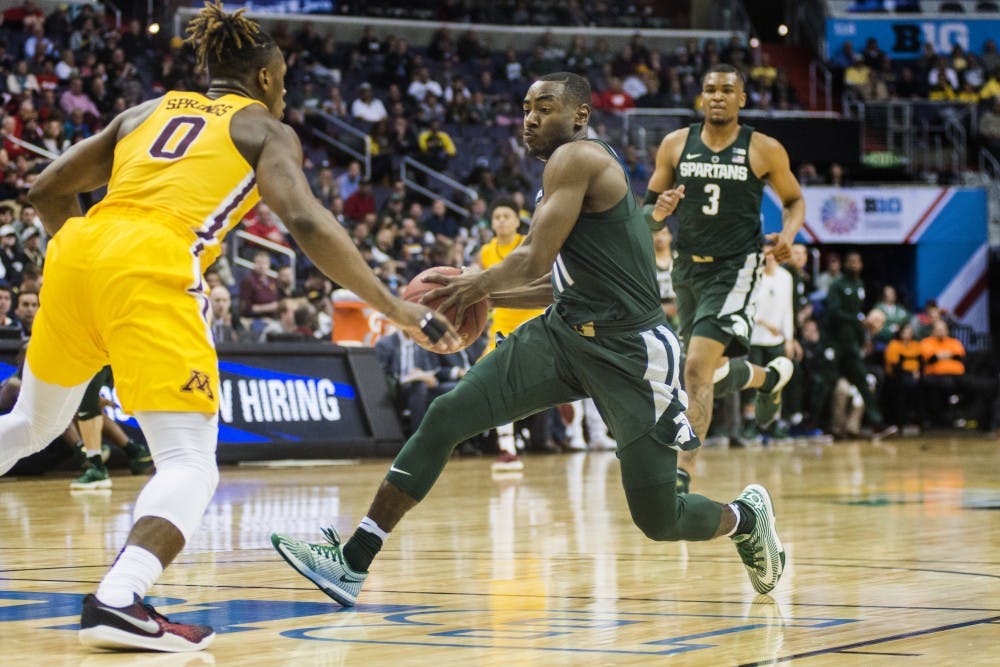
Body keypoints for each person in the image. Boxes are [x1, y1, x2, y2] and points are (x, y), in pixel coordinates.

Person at [0, 3, 455, 653]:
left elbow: (45, 187)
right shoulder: (265, 128)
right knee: (189, 463)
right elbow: (305, 221)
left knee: (32, 424)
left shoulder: (144, 112)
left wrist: (84, 268)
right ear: (267, 77)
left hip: (76, 251)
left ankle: (122, 596)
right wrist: (395, 304)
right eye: (286, 79)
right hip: (151, 264)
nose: (286, 91)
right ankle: (121, 597)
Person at [272, 71, 785, 608]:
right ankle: (354, 561)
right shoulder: (564, 176)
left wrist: (473, 282)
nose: (530, 119)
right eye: (524, 109)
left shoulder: (578, 159)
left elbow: (533, 258)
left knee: (661, 519)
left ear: (580, 117)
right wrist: (488, 300)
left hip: (631, 352)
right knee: (447, 414)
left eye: (544, 108)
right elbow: (555, 282)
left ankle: (745, 520)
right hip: (564, 335)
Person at [643, 64, 802, 492]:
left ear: (741, 99)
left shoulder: (763, 149)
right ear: (700, 97)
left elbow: (794, 200)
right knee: (709, 371)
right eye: (710, 89)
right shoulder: (676, 145)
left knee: (694, 367)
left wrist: (787, 236)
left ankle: (680, 474)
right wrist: (659, 213)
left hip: (735, 268)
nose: (717, 96)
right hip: (687, 267)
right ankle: (768, 379)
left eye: (727, 90)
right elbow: (646, 216)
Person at [473, 198, 546, 471]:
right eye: (496, 216)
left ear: (517, 221)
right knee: (494, 380)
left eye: (506, 216)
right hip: (501, 325)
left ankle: (562, 427)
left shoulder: (529, 245)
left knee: (536, 384)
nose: (501, 221)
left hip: (533, 320)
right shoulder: (485, 252)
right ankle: (507, 445)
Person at [823, 252, 896, 438]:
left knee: (863, 383)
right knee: (824, 382)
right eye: (850, 262)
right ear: (845, 264)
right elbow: (833, 312)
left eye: (857, 262)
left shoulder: (860, 286)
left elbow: (859, 319)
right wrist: (858, 319)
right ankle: (819, 424)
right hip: (835, 343)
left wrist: (865, 340)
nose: (854, 265)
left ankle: (876, 423)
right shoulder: (837, 285)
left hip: (852, 345)